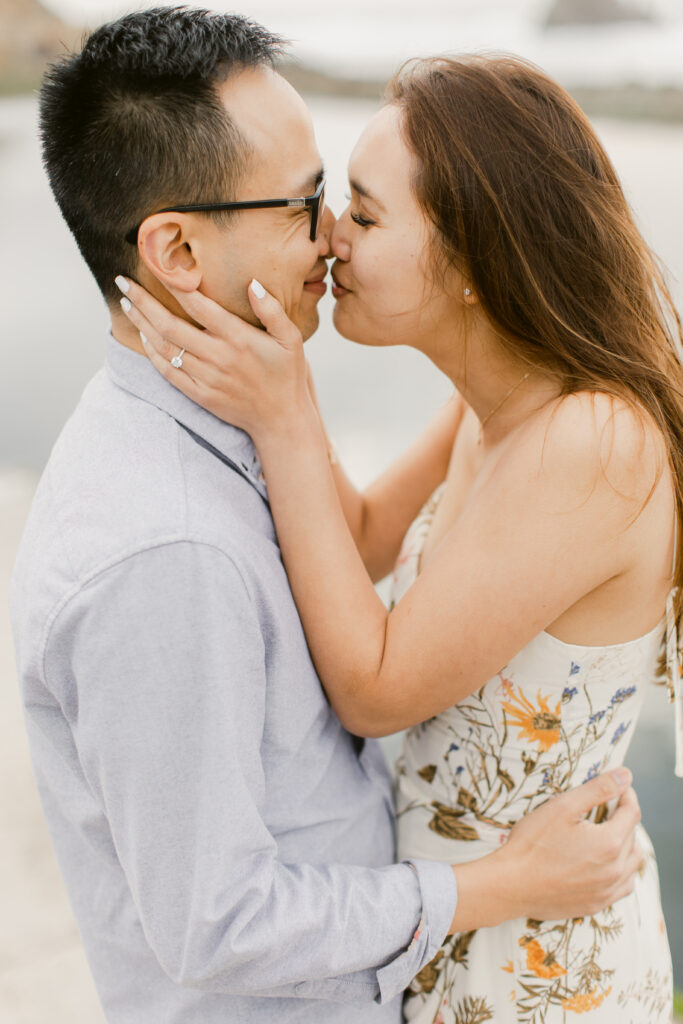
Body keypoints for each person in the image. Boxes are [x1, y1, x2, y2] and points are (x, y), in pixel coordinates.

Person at [11, 10, 643, 1024]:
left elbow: (346, 547)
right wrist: (490, 887)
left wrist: (304, 404)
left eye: (350, 207)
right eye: (308, 204)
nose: (330, 239)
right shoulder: (165, 550)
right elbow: (217, 923)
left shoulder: (230, 418)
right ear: (175, 250)